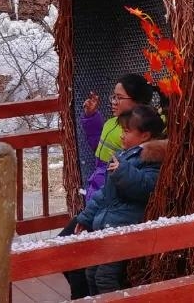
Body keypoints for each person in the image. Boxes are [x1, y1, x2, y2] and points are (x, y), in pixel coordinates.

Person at [62, 73, 156, 298]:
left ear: (137, 102)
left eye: (119, 97)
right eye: (113, 97)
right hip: (99, 205)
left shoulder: (139, 137)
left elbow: (139, 180)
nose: (113, 102)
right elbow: (98, 145)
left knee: (83, 266)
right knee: (72, 259)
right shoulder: (116, 124)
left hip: (111, 212)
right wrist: (92, 117)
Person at [74, 105, 166, 294]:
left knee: (105, 277)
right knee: (91, 273)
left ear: (145, 135)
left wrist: (122, 171)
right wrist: (85, 218)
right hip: (107, 224)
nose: (122, 135)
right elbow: (104, 194)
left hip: (123, 225)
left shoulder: (152, 157)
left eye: (127, 131)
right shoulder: (125, 155)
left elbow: (146, 187)